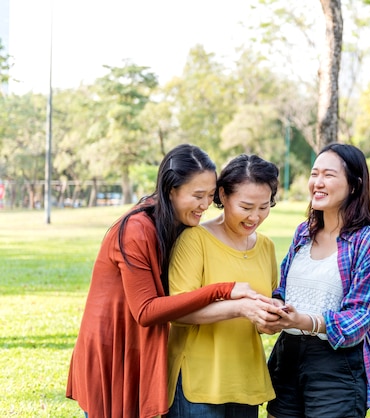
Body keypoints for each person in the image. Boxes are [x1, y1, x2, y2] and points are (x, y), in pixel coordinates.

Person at [66, 144, 276, 418]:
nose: (205, 205)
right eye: (197, 195)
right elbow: (146, 310)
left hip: (144, 345)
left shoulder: (178, 225)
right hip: (114, 346)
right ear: (170, 190)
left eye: (210, 195)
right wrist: (225, 290)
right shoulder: (136, 230)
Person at [264, 143, 370, 418]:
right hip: (287, 356)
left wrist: (306, 321)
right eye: (314, 174)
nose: (317, 183)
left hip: (335, 364)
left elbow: (362, 315)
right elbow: (284, 288)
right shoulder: (303, 233)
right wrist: (275, 307)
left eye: (329, 175)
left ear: (355, 185)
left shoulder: (369, 242)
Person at [166, 154, 281, 418]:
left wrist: (270, 316)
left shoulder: (266, 246)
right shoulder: (195, 240)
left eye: (264, 207)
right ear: (223, 195)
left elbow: (260, 307)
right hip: (199, 383)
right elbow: (177, 312)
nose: (255, 216)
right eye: (246, 206)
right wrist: (239, 308)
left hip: (245, 381)